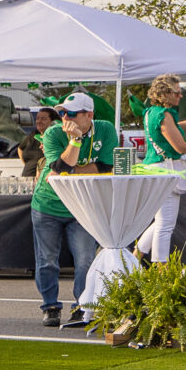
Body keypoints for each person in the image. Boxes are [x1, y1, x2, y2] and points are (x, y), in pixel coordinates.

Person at [32, 92, 113, 327]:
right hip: (48, 204)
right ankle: (50, 306)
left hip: (82, 206)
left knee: (85, 259)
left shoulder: (105, 129)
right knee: (47, 260)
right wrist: (75, 141)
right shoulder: (54, 132)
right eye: (63, 113)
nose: (66, 118)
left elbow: (105, 166)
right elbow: (59, 166)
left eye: (72, 114)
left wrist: (69, 171)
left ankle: (81, 305)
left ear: (89, 115)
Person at [137, 76, 186, 261]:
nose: (180, 96)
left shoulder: (151, 112)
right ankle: (161, 268)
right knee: (166, 224)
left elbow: (176, 129)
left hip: (154, 168)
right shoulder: (164, 114)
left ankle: (137, 255)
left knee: (162, 220)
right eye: (176, 92)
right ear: (164, 94)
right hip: (164, 171)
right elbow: (181, 147)